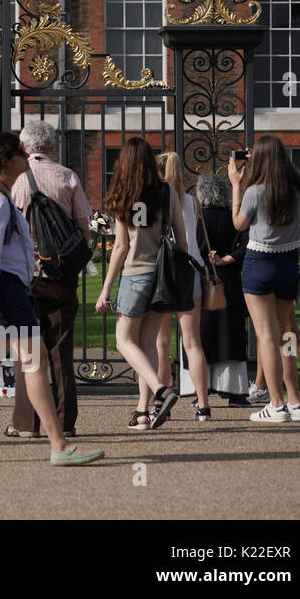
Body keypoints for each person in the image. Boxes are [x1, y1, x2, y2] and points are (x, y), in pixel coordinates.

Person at [0, 133, 103, 465]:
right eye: (19, 152)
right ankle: (59, 445)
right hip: (6, 290)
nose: (25, 156)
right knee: (35, 361)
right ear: (5, 160)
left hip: (3, 289)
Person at [6, 120, 92, 439]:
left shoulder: (14, 179)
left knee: (26, 351)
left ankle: (26, 423)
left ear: (24, 146)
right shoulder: (67, 176)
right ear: (52, 146)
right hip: (60, 275)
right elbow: (84, 227)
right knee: (61, 349)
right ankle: (64, 420)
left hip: (23, 273)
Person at [94, 137, 187, 431]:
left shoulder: (124, 193)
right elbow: (182, 240)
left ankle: (161, 389)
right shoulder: (168, 192)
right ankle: (142, 411)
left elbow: (121, 247)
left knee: (124, 341)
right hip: (162, 276)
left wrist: (105, 289)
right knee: (147, 344)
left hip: (135, 275)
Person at [229, 135, 300, 423]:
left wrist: (236, 185)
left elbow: (238, 224)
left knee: (267, 336)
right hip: (288, 265)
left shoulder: (254, 191)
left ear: (260, 159)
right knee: (285, 335)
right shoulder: (299, 189)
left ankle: (276, 405)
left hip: (260, 264)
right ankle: (294, 401)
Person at [154, 152, 212, 420]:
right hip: (191, 270)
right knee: (192, 342)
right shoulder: (192, 201)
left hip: (166, 272)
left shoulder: (157, 200)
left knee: (161, 342)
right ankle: (203, 405)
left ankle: (161, 399)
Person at [194, 173, 251, 405]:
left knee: (202, 334)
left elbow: (192, 249)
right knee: (232, 334)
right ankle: (234, 391)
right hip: (229, 278)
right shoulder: (233, 217)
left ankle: (200, 391)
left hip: (203, 278)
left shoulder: (199, 218)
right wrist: (228, 258)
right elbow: (248, 243)